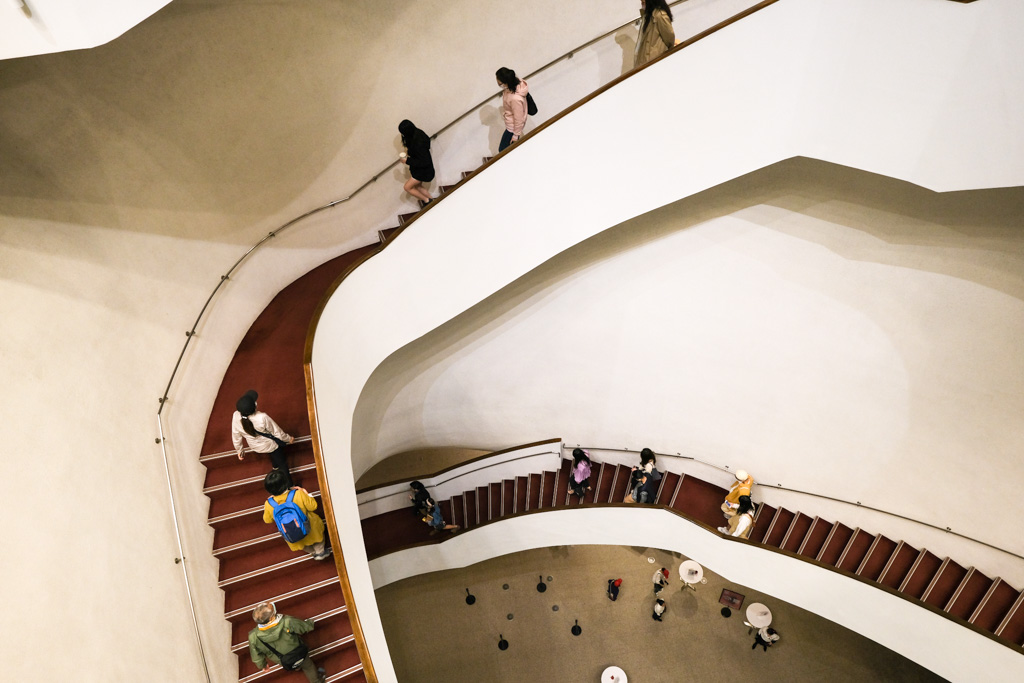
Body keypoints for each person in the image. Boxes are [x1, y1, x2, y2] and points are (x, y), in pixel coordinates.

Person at [247, 601, 327, 683]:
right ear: (271, 618)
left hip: (281, 659)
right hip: (298, 651)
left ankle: (296, 667)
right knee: (308, 666)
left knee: (293, 663)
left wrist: (262, 665)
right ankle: (316, 681)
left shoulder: (253, 637)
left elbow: (256, 655)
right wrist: (310, 623)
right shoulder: (287, 621)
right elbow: (304, 627)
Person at [263, 470, 332, 560]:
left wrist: (267, 506)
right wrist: (306, 493)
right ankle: (320, 551)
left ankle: (312, 552)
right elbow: (313, 506)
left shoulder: (269, 503)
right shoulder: (298, 493)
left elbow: (267, 520)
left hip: (291, 531)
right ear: (286, 482)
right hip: (310, 527)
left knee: (302, 544)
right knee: (317, 536)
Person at [232, 389, 295, 486]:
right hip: (269, 444)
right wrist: (288, 439)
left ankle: (275, 467)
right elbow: (276, 431)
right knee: (282, 463)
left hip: (255, 446)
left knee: (274, 456)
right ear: (255, 406)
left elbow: (236, 435)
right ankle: (290, 486)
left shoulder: (236, 415)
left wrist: (239, 450)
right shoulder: (262, 417)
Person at [398, 119, 435, 204]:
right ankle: (431, 201)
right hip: (422, 169)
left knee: (407, 187)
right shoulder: (418, 133)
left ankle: (427, 200)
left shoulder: (418, 143)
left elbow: (424, 161)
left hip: (423, 171)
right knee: (418, 186)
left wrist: (407, 160)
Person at [496, 67, 529, 152]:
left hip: (512, 128)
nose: (498, 83)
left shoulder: (515, 99)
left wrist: (515, 135)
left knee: (502, 151)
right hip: (510, 125)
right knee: (505, 150)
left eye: (499, 83)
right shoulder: (514, 84)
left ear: (505, 83)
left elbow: (519, 118)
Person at [634, 0, 675, 67]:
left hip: (654, 61)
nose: (641, 2)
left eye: (643, 2)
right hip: (646, 61)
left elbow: (670, 38)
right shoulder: (647, 16)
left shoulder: (659, 15)